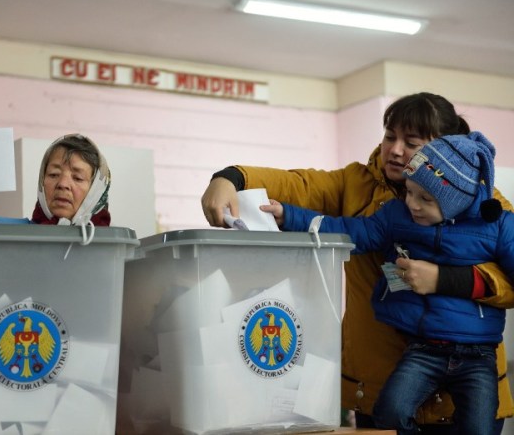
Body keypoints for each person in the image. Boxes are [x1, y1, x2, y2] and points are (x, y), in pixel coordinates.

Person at [200, 92, 514, 432]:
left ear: (444, 149)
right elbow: (297, 184)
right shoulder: (357, 185)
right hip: (381, 386)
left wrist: (445, 279)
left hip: (463, 392)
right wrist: (230, 177)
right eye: (389, 136)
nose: (395, 150)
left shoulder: (485, 205)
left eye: (411, 142)